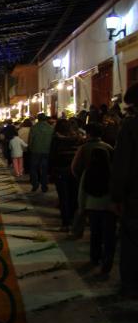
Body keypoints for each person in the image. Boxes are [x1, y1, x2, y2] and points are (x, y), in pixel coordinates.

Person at [111, 84, 138, 298]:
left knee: (130, 242)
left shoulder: (130, 127)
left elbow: (122, 165)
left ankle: (129, 286)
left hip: (135, 196)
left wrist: (117, 196)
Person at [81, 147, 116, 277]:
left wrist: (81, 207)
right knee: (109, 237)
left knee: (95, 234)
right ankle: (107, 262)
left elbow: (82, 192)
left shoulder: (88, 171)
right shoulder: (112, 171)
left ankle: (94, 258)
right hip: (108, 208)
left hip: (92, 207)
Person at [50, 119, 81, 231]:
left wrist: (51, 171)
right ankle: (73, 220)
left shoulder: (57, 139)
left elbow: (52, 156)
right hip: (74, 170)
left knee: (63, 197)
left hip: (61, 170)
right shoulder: (77, 139)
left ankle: (66, 223)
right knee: (74, 195)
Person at [28, 113, 54, 192]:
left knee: (34, 168)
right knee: (44, 169)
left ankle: (35, 184)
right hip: (47, 150)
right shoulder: (51, 128)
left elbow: (30, 140)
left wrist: (30, 148)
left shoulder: (34, 128)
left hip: (35, 150)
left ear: (38, 119)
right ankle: (44, 185)